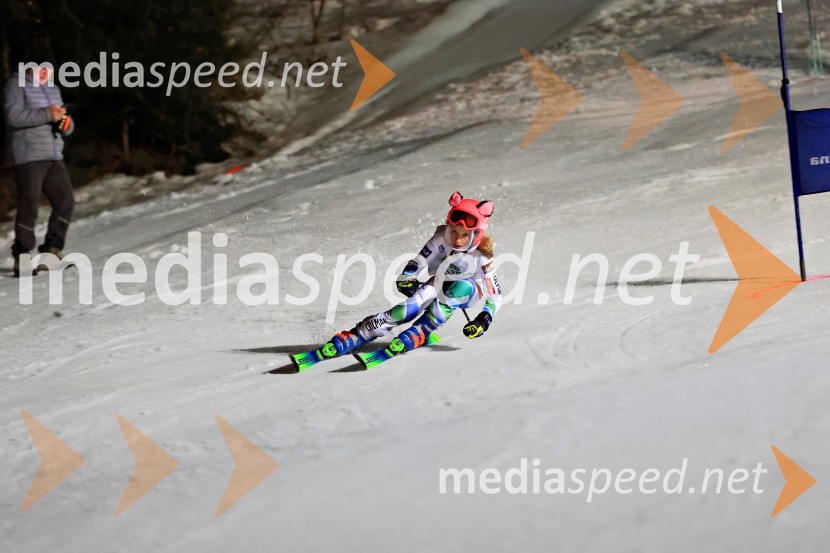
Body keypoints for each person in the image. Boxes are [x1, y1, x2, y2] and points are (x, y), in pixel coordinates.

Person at [322, 191, 503, 359]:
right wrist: (408, 277)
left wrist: (483, 320)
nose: (457, 239)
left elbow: (495, 298)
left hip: (468, 291)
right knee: (410, 306)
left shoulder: (482, 257)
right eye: (454, 231)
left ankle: (422, 329)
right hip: (441, 280)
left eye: (465, 234)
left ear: (477, 234)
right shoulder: (441, 238)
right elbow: (418, 263)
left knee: (460, 287)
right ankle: (359, 334)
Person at [3, 43, 75, 277]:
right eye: (38, 67)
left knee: (65, 201)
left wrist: (66, 124)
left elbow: (65, 121)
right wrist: (47, 114)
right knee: (30, 203)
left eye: (48, 68)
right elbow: (13, 116)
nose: (44, 72)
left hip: (53, 153)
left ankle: (52, 252)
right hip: (29, 155)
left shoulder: (53, 88)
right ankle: (22, 257)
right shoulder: (16, 84)